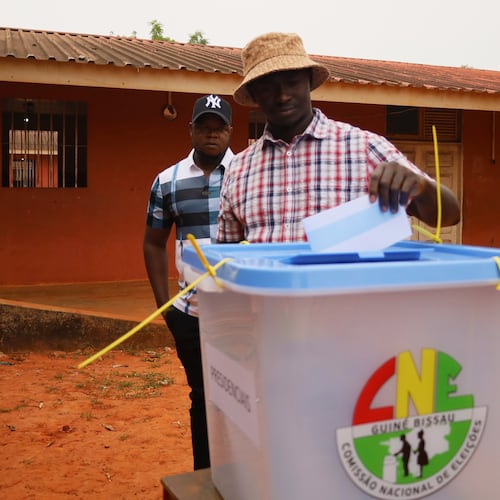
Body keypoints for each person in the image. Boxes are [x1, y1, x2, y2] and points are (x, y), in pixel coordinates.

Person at [217, 32, 460, 244]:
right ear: (254, 96)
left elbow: (450, 215)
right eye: (268, 88)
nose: (282, 96)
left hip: (347, 297)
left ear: (309, 82)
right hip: (266, 298)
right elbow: (226, 259)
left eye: (292, 82)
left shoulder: (365, 148)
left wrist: (421, 186)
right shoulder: (239, 169)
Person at [143, 94, 234, 470]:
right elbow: (153, 243)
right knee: (202, 397)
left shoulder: (247, 173)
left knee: (244, 396)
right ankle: (206, 478)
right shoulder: (168, 181)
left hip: (241, 312)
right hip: (191, 313)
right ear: (191, 129)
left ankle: (245, 475)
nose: (212, 134)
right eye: (204, 127)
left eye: (219, 128)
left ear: (230, 132)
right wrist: (166, 307)